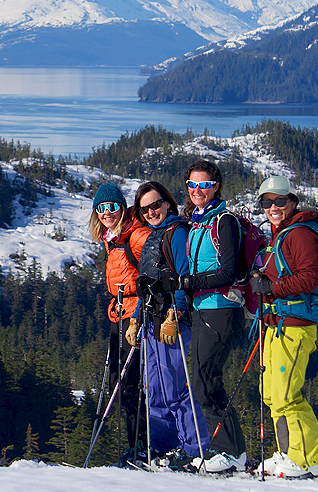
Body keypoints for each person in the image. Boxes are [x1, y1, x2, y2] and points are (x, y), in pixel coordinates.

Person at [148, 159, 247, 473]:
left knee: (205, 382)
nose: (197, 190)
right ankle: (228, 451)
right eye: (192, 184)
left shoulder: (224, 222)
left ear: (216, 185)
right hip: (203, 309)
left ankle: (230, 452)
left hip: (221, 309)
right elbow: (184, 263)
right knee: (205, 381)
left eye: (204, 184)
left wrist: (189, 284)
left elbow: (228, 272)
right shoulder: (198, 221)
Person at [249, 176, 318, 478]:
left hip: (294, 325)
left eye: (279, 201)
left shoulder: (300, 234)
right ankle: (287, 453)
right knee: (272, 393)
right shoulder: (280, 235)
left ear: (292, 201)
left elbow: (310, 278)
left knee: (287, 396)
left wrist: (271, 286)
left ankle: (308, 459)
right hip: (276, 324)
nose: (272, 207)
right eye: (266, 202)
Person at [132, 181, 209, 470]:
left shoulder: (176, 233)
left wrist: (175, 314)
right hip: (151, 321)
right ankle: (164, 448)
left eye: (155, 205)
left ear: (167, 203)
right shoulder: (153, 236)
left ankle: (195, 449)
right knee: (155, 389)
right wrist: (136, 319)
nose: (151, 212)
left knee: (175, 388)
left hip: (170, 322)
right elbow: (147, 285)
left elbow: (183, 276)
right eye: (144, 209)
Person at [88, 182, 149, 462]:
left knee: (129, 383)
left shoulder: (135, 236)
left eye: (112, 206)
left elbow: (151, 274)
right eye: (100, 208)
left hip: (135, 314)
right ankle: (135, 445)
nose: (106, 212)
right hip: (119, 312)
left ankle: (143, 445)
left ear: (122, 207)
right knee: (118, 382)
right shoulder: (111, 238)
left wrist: (140, 314)